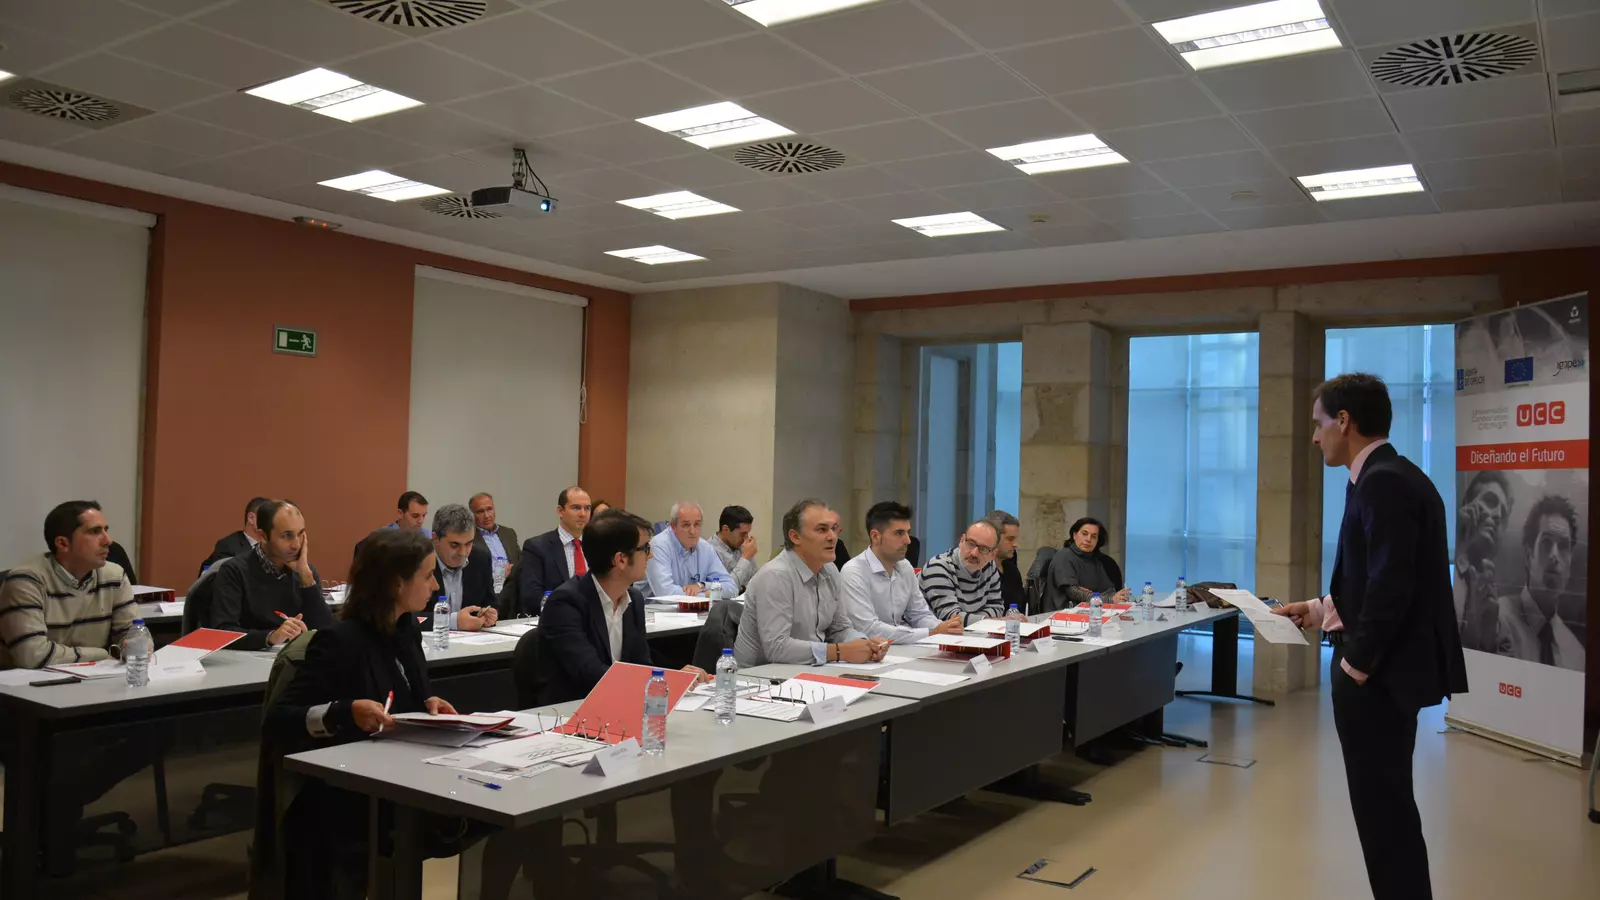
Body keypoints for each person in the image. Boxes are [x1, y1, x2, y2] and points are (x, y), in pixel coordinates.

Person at [1273, 373, 1466, 900]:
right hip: (1381, 674)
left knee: (1384, 818)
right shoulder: (1387, 475)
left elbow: (1392, 586)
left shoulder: (1383, 482)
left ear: (1344, 421)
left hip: (1377, 680)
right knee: (1386, 813)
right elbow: (1373, 577)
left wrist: (1354, 666)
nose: (1314, 437)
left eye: (1318, 424)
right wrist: (1318, 610)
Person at [263, 528, 476, 899]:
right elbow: (278, 719)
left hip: (403, 773)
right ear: (397, 583)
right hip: (350, 795)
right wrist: (344, 711)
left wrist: (428, 702)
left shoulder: (406, 628)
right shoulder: (340, 640)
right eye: (427, 575)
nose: (435, 585)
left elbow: (406, 694)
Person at [539, 510, 707, 704]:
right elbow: (590, 673)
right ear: (620, 560)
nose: (651, 555)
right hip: (572, 709)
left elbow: (641, 664)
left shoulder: (633, 599)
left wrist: (676, 677)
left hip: (620, 704)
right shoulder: (566, 603)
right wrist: (666, 681)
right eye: (645, 548)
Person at [734, 499, 887, 667]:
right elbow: (777, 648)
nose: (832, 537)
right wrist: (840, 651)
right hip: (759, 675)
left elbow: (839, 629)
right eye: (822, 529)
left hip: (808, 669)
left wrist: (864, 645)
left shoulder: (830, 569)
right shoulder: (775, 576)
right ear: (795, 537)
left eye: (834, 529)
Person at [0, 501, 137, 668]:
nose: (108, 540)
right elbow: (33, 656)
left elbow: (135, 636)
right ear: (63, 543)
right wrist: (103, 654)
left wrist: (135, 646)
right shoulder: (26, 581)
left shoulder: (114, 576)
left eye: (105, 530)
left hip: (91, 677)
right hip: (26, 682)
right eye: (95, 531)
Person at [1466, 495, 1585, 671]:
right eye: (1546, 543)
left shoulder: (1577, 655)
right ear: (1529, 556)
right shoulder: (1494, 620)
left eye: (1563, 546)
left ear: (1570, 564)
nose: (1554, 555)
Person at [208, 500, 335, 651]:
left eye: (300, 534)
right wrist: (271, 637)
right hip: (248, 659)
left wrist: (307, 580)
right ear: (263, 536)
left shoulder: (305, 572)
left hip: (292, 658)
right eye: (287, 536)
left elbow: (328, 632)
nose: (296, 544)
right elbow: (223, 631)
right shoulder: (234, 571)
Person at [839, 501, 962, 644]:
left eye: (908, 533)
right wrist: (932, 632)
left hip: (902, 646)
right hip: (869, 648)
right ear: (875, 536)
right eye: (899, 533)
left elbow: (919, 614)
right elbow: (869, 629)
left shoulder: (905, 566)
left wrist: (944, 627)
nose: (908, 541)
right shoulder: (853, 572)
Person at [919, 519, 1015, 625]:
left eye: (983, 549)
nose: (974, 553)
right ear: (962, 540)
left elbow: (997, 607)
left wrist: (977, 621)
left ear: (993, 554)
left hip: (972, 633)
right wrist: (988, 621)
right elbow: (950, 617)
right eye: (971, 544)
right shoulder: (938, 566)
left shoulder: (990, 567)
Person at [517, 486, 593, 615]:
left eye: (587, 508)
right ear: (560, 511)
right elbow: (532, 597)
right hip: (556, 618)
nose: (583, 514)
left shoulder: (595, 545)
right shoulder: (537, 547)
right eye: (576, 508)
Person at [1452, 471, 1512, 631]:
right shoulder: (1429, 558)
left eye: (1503, 514)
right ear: (1467, 504)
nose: (1498, 515)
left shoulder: (1496, 611)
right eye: (1490, 501)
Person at [426, 503, 499, 633]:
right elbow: (409, 618)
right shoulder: (418, 561)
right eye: (455, 545)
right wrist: (452, 621)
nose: (463, 552)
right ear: (436, 539)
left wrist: (488, 614)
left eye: (469, 544)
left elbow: (490, 603)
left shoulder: (480, 558)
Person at [646, 501, 737, 598]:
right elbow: (665, 593)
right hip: (654, 607)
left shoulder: (705, 548)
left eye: (697, 524)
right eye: (686, 525)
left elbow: (732, 588)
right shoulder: (659, 546)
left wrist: (702, 586)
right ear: (673, 526)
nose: (692, 531)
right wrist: (708, 595)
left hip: (694, 607)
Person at [1048, 517, 1131, 609]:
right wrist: (1110, 599)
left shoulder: (1101, 560)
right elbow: (1073, 592)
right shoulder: (1064, 556)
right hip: (1066, 612)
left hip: (1095, 610)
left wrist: (1118, 597)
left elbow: (1110, 590)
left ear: (1097, 541)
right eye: (1084, 534)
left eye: (1094, 536)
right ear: (1074, 535)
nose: (1088, 539)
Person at [200, 496, 269, 575]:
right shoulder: (227, 546)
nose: (272, 523)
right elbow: (222, 578)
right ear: (251, 518)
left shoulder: (273, 546)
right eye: (267, 518)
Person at [468, 492, 520, 593]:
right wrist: (499, 575)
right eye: (480, 512)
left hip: (514, 588)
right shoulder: (469, 538)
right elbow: (471, 573)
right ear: (472, 515)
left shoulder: (508, 533)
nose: (486, 516)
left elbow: (520, 561)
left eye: (489, 509)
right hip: (489, 590)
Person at [710, 505, 759, 592]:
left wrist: (749, 557)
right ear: (725, 529)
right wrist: (745, 558)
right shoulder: (709, 551)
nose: (746, 538)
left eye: (747, 533)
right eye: (742, 534)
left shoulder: (743, 546)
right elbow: (723, 589)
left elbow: (756, 582)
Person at [986, 510, 1024, 610]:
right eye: (1010, 539)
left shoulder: (1012, 570)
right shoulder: (979, 572)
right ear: (993, 537)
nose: (1016, 544)